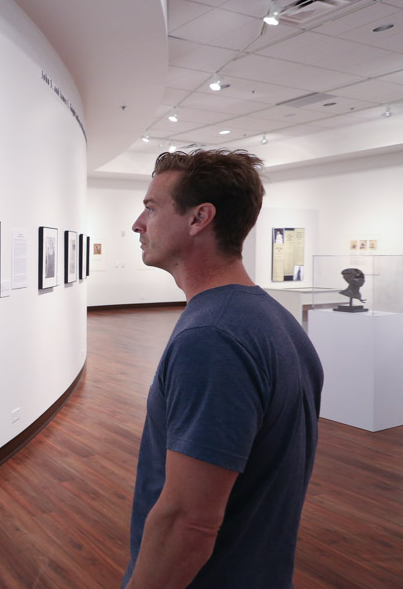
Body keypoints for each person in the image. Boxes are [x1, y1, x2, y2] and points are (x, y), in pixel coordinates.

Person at [123, 149, 324, 589]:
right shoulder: (276, 321)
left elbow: (188, 524)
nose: (138, 224)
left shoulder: (212, 338)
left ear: (199, 218)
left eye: (152, 208)